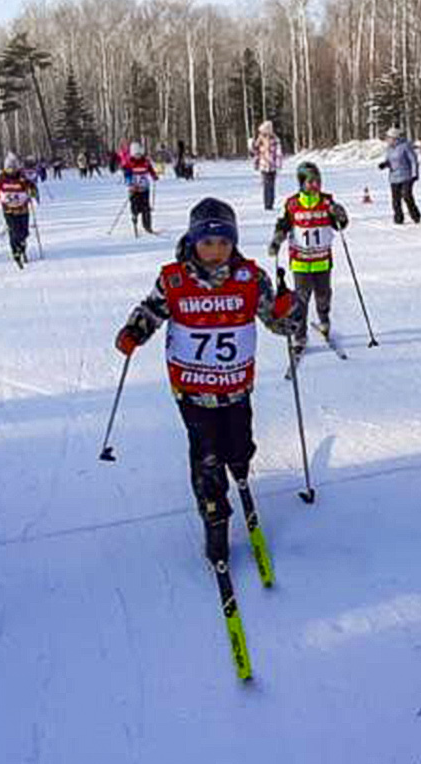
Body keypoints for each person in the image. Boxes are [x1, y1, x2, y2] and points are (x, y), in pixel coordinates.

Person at [114, 198, 305, 565]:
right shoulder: (174, 279)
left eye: (224, 243)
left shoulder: (251, 278)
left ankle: (240, 466)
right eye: (207, 243)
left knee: (239, 445)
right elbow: (151, 310)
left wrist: (289, 310)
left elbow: (280, 325)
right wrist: (134, 331)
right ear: (193, 241)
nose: (216, 251)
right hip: (193, 389)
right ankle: (214, 516)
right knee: (207, 456)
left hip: (235, 387)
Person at [268, 163, 351, 348]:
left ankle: (324, 320)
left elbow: (340, 226)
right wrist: (276, 240)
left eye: (318, 181)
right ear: (301, 183)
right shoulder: (293, 204)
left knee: (324, 295)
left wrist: (341, 216)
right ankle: (300, 334)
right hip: (301, 261)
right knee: (301, 300)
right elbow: (283, 225)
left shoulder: (327, 202)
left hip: (322, 260)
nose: (315, 185)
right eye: (311, 182)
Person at [0, 153, 40, 267]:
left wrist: (33, 192)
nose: (11, 170)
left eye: (13, 167)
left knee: (24, 232)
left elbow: (32, 186)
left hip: (23, 209)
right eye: (9, 167)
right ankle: (15, 252)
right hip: (9, 210)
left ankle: (22, 249)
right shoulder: (1, 178)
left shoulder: (22, 178)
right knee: (14, 231)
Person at [381, 127, 421, 224]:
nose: (387, 140)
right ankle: (398, 218)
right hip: (394, 177)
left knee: (407, 196)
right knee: (396, 200)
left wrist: (415, 174)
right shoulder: (389, 149)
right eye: (387, 138)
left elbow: (413, 161)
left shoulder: (405, 146)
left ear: (395, 138)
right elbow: (389, 160)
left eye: (389, 138)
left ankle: (415, 215)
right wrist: (385, 164)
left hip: (406, 176)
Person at [123, 141, 158, 233]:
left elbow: (150, 169)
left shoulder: (145, 162)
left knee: (146, 207)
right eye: (136, 154)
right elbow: (127, 175)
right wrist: (130, 184)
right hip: (134, 189)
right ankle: (134, 215)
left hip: (144, 188)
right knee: (135, 205)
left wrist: (154, 176)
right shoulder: (129, 163)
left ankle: (147, 226)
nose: (138, 156)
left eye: (139, 154)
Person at [251, 119, 283, 210]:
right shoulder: (260, 139)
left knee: (271, 186)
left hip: (272, 166)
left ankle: (270, 203)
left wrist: (278, 164)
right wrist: (252, 145)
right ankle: (267, 204)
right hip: (264, 166)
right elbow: (255, 151)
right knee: (266, 185)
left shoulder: (275, 139)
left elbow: (278, 153)